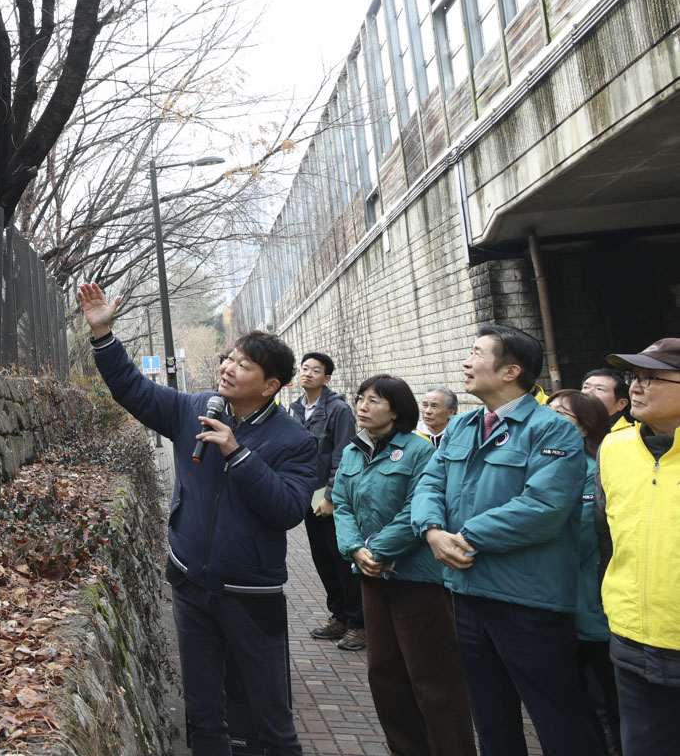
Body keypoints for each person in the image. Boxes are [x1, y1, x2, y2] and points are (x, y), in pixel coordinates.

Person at [77, 281, 315, 756]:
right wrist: (103, 335)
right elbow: (134, 390)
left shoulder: (295, 440)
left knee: (272, 719)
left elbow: (287, 509)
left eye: (243, 365)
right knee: (204, 716)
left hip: (251, 595)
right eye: (229, 358)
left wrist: (237, 453)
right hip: (190, 585)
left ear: (270, 386)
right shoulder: (195, 409)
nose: (228, 367)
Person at [410, 323, 600, 756]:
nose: (466, 362)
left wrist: (463, 536)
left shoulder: (553, 430)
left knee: (559, 721)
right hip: (467, 593)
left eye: (477, 353)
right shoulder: (462, 426)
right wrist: (432, 530)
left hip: (528, 601)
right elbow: (429, 484)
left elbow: (544, 508)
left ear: (511, 370)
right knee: (492, 721)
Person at [334, 374, 476, 756]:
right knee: (384, 674)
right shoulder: (353, 451)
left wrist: (375, 550)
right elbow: (342, 505)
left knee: (432, 677)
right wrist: (354, 549)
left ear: (396, 410)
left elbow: (418, 508)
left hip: (416, 579)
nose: (363, 406)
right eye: (360, 398)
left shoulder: (420, 451)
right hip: (372, 576)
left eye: (374, 400)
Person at [596, 338, 680, 756]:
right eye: (634, 376)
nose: (635, 386)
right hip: (632, 639)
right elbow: (606, 537)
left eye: (652, 378)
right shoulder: (614, 448)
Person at [546, 389, 621, 755]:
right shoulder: (546, 466)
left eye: (560, 414)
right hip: (557, 607)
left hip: (591, 611)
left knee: (604, 702)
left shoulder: (595, 472)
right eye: (548, 410)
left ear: (584, 428)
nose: (548, 418)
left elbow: (582, 542)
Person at [288, 352, 364, 650]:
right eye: (304, 368)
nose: (307, 373)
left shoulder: (338, 410)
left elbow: (343, 456)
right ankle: (340, 616)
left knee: (341, 559)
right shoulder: (297, 408)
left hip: (330, 497)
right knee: (322, 559)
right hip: (308, 495)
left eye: (315, 370)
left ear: (327, 378)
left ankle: (359, 624)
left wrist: (331, 496)